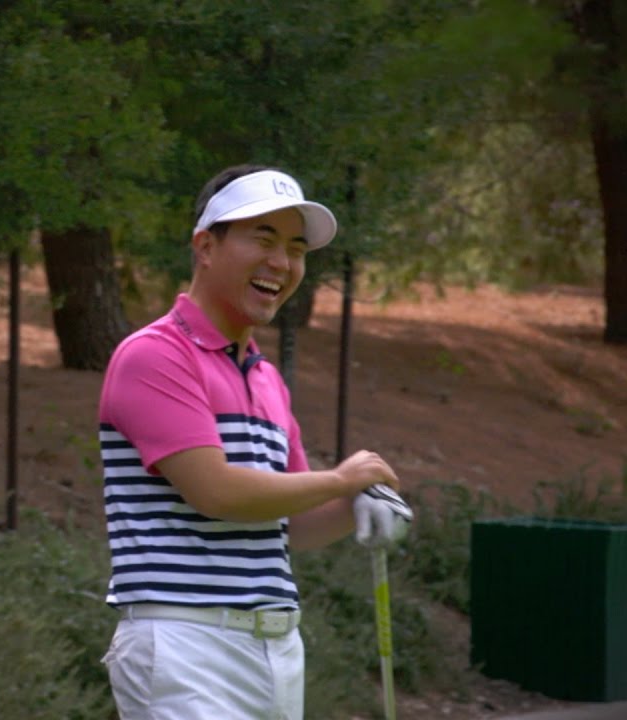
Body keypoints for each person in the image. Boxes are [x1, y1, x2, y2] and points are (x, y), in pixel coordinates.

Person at [97, 165, 413, 720]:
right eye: (262, 239)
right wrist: (341, 479)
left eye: (295, 248)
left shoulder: (265, 378)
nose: (281, 263)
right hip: (184, 643)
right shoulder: (155, 355)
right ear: (206, 246)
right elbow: (216, 492)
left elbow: (291, 523)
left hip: (276, 649)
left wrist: (359, 505)